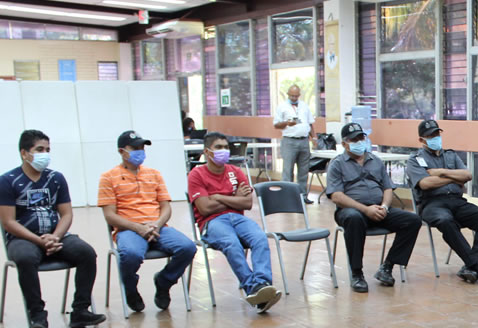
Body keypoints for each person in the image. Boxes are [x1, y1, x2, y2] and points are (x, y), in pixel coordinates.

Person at [0, 130, 106, 328]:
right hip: (24, 238)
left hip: (56, 236)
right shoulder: (7, 181)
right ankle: (37, 316)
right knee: (25, 257)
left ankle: (80, 311)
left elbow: (66, 214)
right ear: (24, 153)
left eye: (48, 150)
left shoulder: (56, 178)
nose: (45, 154)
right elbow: (8, 222)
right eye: (39, 150)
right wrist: (39, 241)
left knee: (86, 253)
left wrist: (55, 236)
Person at [98, 130, 197, 313]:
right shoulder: (108, 177)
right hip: (128, 229)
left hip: (157, 227)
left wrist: (157, 224)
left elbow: (166, 207)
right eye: (134, 148)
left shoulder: (154, 174)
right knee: (131, 254)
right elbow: (110, 216)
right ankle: (130, 288)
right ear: (121, 151)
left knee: (188, 247)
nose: (140, 151)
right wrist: (137, 227)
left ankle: (164, 281)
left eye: (142, 148)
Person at [188, 132, 282, 312]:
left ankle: (262, 284)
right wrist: (232, 197)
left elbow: (246, 203)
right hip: (212, 222)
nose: (224, 151)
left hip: (238, 219)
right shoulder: (196, 175)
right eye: (219, 147)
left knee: (260, 238)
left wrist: (216, 197)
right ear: (207, 152)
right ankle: (252, 288)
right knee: (231, 244)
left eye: (226, 147)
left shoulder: (235, 171)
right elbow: (204, 208)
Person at [327, 123, 421, 292]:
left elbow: (387, 188)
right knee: (353, 218)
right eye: (353, 139)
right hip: (352, 210)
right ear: (344, 144)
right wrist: (365, 209)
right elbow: (336, 196)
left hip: (378, 209)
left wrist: (384, 206)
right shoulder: (337, 164)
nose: (359, 142)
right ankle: (357, 274)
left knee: (412, 220)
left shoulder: (375, 161)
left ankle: (387, 267)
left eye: (361, 138)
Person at [407, 119, 478, 285]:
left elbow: (467, 176)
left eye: (437, 134)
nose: (435, 137)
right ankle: (476, 266)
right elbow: (425, 184)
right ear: (421, 140)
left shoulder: (451, 155)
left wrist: (439, 173)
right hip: (432, 204)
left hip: (457, 201)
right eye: (430, 135)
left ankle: (470, 267)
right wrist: (453, 178)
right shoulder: (414, 159)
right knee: (445, 221)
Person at [273, 84, 315, 204]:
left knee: (303, 170)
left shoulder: (304, 106)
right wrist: (286, 123)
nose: (294, 98)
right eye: (292, 95)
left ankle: (303, 196)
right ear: (288, 94)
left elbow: (310, 123)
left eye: (296, 96)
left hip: (304, 141)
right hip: (289, 141)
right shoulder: (282, 107)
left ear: (299, 95)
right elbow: (276, 125)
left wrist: (314, 138)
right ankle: (287, 197)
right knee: (288, 171)